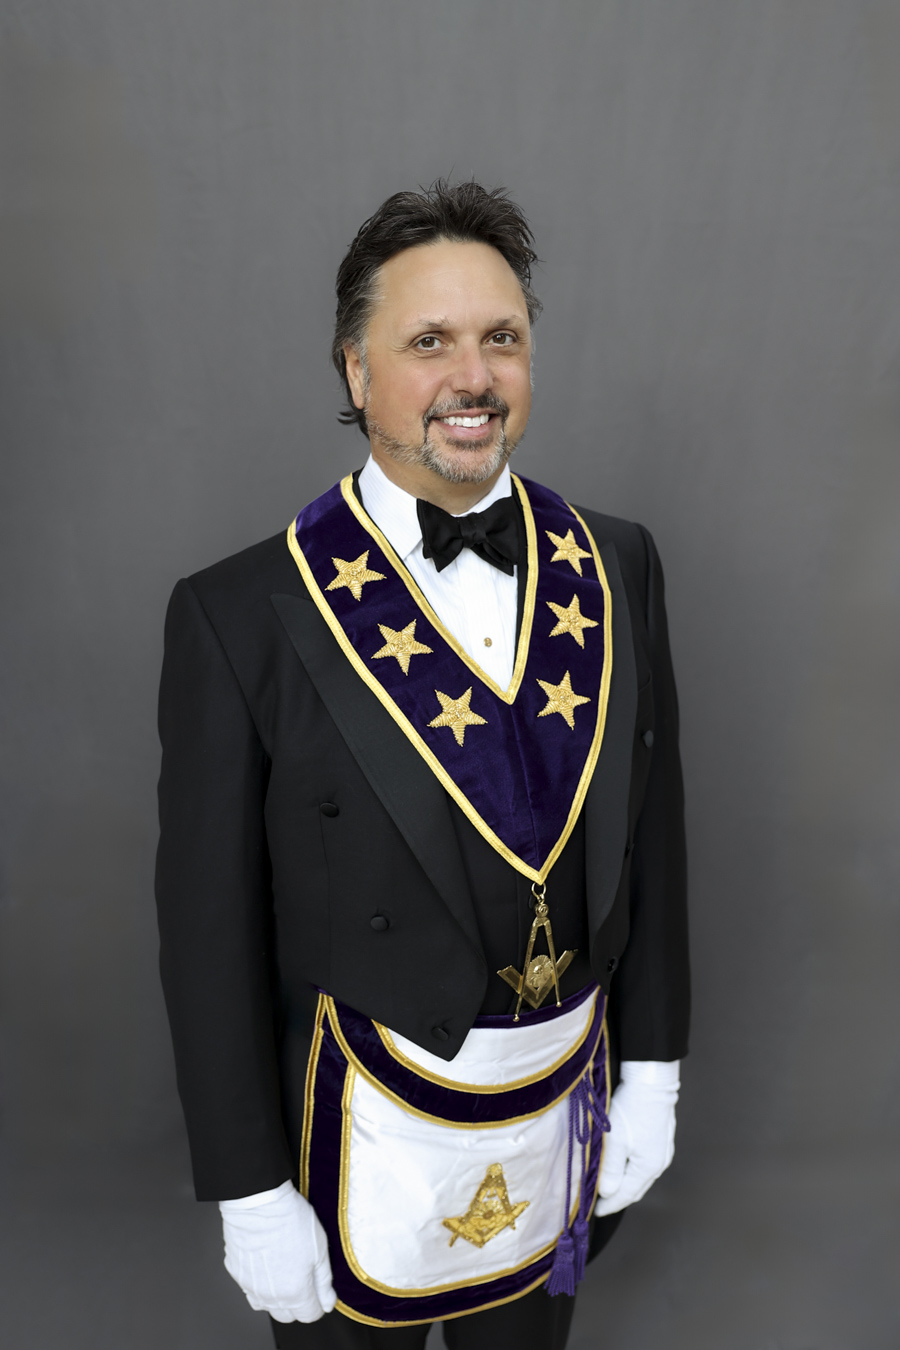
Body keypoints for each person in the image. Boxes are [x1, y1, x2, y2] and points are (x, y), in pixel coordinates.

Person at [155, 180, 689, 1349]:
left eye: (503, 338)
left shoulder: (617, 562)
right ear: (355, 372)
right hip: (350, 1138)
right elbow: (208, 933)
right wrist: (247, 1188)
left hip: (560, 1115)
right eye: (429, 342)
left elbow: (654, 838)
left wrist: (655, 1070)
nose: (474, 377)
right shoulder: (240, 614)